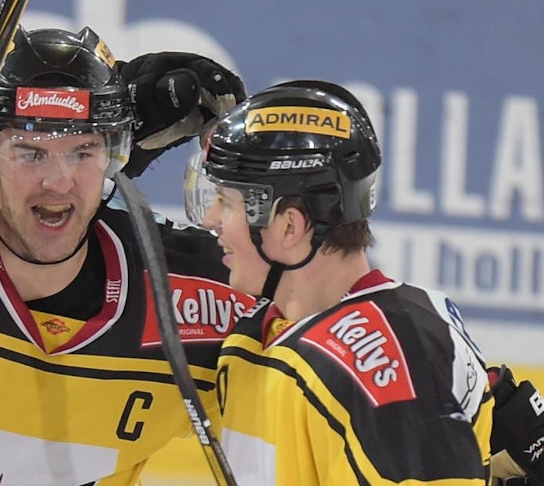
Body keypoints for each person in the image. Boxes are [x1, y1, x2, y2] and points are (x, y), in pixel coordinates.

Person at [0, 26, 254, 485]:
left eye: (82, 151)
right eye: (30, 152)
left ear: (117, 152)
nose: (58, 182)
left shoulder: (199, 293)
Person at [185, 79, 494, 484]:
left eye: (226, 202)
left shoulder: (385, 363)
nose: (211, 220)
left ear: (290, 225)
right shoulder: (258, 334)